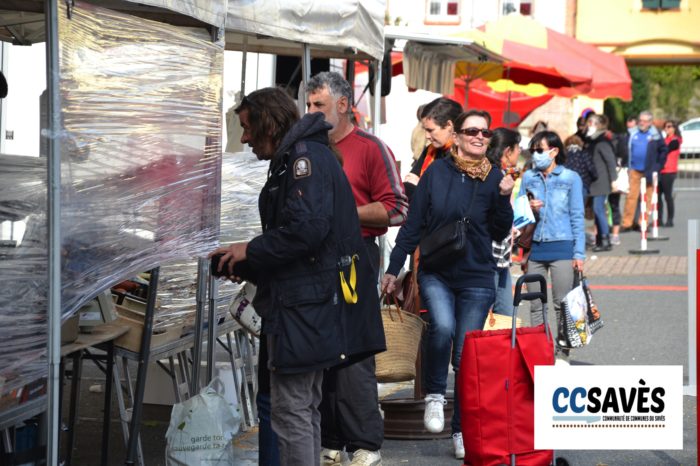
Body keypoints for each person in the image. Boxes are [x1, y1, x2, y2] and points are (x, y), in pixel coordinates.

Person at [209, 87, 385, 466]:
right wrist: (246, 262)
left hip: (305, 307)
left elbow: (307, 232)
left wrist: (250, 250)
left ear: (267, 123)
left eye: (246, 127)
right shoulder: (302, 156)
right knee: (302, 408)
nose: (243, 138)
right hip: (305, 302)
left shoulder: (305, 159)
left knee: (293, 411)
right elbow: (303, 240)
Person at [381, 110, 514, 460]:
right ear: (456, 136)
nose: (479, 137)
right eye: (472, 131)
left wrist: (503, 198)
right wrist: (394, 270)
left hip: (477, 275)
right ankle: (435, 396)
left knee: (466, 354)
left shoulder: (496, 177)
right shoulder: (436, 174)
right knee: (441, 326)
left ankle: (463, 430)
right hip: (437, 271)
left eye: (485, 133)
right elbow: (412, 226)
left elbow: (500, 231)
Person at [305, 71, 408, 466]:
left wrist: (342, 214)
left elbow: (397, 208)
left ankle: (365, 443)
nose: (311, 112)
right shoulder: (307, 147)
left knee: (355, 349)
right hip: (313, 258)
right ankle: (329, 438)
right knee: (322, 347)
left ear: (344, 105)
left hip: (356, 257)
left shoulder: (369, 148)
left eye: (320, 105)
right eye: (309, 105)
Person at [520, 131, 585, 365]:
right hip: (535, 248)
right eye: (533, 150)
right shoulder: (528, 177)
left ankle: (562, 353)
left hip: (563, 247)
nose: (536, 155)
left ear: (554, 151)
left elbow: (577, 216)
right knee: (536, 305)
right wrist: (527, 207)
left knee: (561, 304)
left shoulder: (570, 178)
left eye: (540, 150)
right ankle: (540, 351)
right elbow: (518, 213)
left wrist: (579, 253)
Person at [485, 127, 522, 316]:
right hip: (491, 255)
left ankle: (499, 346)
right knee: (489, 313)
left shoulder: (501, 174)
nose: (520, 152)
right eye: (518, 148)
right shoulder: (494, 176)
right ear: (507, 151)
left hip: (502, 256)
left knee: (505, 314)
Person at [403, 97, 463, 200]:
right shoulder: (430, 150)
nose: (426, 136)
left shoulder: (464, 155)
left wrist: (421, 185)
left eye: (430, 130)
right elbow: (410, 181)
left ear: (449, 125)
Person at [621, 110, 668, 232]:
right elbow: (625, 148)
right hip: (634, 170)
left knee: (647, 198)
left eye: (644, 121)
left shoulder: (655, 135)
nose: (641, 123)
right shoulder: (632, 133)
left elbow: (663, 151)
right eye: (640, 120)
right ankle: (627, 223)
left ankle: (643, 223)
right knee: (631, 197)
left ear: (650, 122)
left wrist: (658, 166)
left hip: (649, 170)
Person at [585, 114, 618, 252]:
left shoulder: (602, 141)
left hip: (602, 182)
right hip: (595, 182)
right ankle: (600, 239)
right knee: (597, 210)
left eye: (591, 123)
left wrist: (614, 180)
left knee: (599, 210)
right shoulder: (592, 140)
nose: (588, 125)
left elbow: (610, 162)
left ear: (597, 125)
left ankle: (605, 240)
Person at [659, 120, 682, 227]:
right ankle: (659, 219)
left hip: (669, 171)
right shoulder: (664, 139)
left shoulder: (675, 140)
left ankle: (670, 219)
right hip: (661, 170)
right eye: (665, 127)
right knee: (658, 196)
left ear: (674, 128)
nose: (667, 129)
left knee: (668, 196)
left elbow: (668, 149)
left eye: (669, 127)